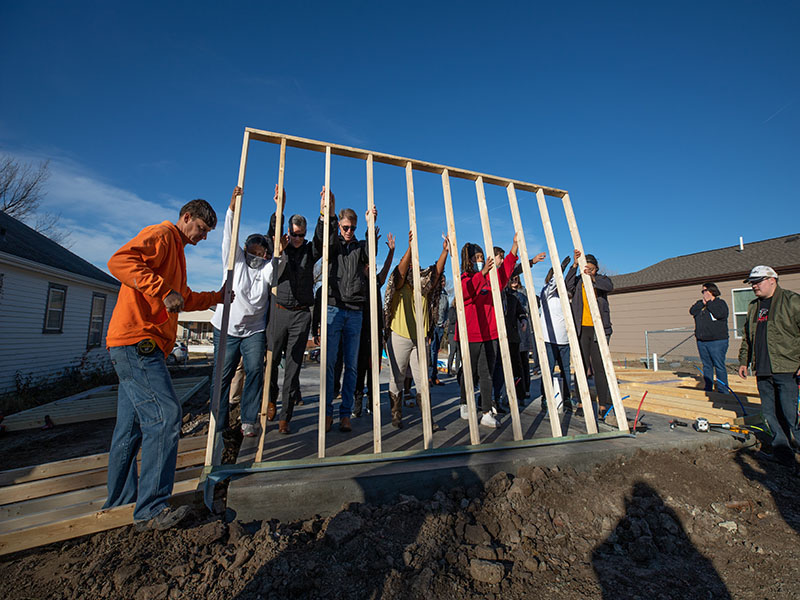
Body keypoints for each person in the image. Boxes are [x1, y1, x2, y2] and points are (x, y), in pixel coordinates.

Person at [104, 198, 225, 530]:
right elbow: (119, 261)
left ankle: (120, 502)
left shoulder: (178, 253)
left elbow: (182, 296)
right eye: (200, 229)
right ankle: (151, 509)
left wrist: (216, 296)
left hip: (136, 345)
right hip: (137, 342)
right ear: (186, 218)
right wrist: (160, 289)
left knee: (129, 429)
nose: (202, 237)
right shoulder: (162, 235)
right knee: (167, 415)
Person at [210, 186, 280, 438]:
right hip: (226, 328)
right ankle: (217, 422)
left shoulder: (266, 270)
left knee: (255, 371)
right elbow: (230, 235)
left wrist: (278, 208)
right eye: (252, 251)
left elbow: (278, 250)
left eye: (261, 254)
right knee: (222, 376)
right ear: (245, 250)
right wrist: (232, 209)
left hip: (253, 331)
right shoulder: (236, 261)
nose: (256, 256)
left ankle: (248, 419)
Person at [316, 188, 376, 433]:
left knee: (351, 366)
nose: (349, 232)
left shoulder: (360, 247)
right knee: (330, 364)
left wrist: (371, 224)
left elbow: (372, 250)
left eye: (352, 227)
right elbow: (321, 240)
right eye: (345, 227)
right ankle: (327, 412)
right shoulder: (334, 244)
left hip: (355, 311)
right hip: (333, 307)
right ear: (339, 226)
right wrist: (325, 213)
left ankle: (345, 413)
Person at [265, 187, 322, 434]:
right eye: (294, 234)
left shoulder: (310, 251)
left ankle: (285, 416)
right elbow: (272, 235)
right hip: (279, 311)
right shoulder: (281, 248)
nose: (296, 239)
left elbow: (322, 240)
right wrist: (280, 207)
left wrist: (323, 213)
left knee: (293, 365)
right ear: (289, 232)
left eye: (301, 235)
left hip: (301, 314)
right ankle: (269, 400)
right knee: (271, 360)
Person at [383, 232, 448, 428]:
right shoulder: (400, 283)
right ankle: (396, 413)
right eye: (411, 264)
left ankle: (428, 418)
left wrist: (444, 252)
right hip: (399, 335)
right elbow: (399, 273)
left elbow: (435, 274)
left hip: (419, 339)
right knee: (397, 376)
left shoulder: (424, 286)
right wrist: (411, 247)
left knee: (422, 381)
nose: (414, 268)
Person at [737, 266, 800, 467]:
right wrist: (744, 361)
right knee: (770, 414)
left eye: (758, 281)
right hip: (763, 369)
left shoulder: (791, 301)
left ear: (773, 280)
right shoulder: (754, 306)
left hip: (786, 367)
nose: (754, 286)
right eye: (752, 283)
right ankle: (783, 455)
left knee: (791, 415)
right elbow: (747, 337)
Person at [455, 235, 521, 428]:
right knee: (469, 372)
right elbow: (466, 292)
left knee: (486, 373)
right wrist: (482, 273)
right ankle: (464, 402)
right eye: (476, 257)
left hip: (490, 334)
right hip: (470, 334)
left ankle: (485, 412)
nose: (480, 260)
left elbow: (505, 274)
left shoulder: (490, 280)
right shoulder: (466, 279)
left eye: (482, 257)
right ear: (469, 261)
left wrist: (514, 247)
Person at [565, 249, 613, 416]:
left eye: (591, 268)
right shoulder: (578, 281)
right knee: (581, 366)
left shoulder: (601, 280)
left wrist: (592, 278)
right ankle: (581, 402)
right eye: (586, 268)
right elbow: (567, 285)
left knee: (600, 367)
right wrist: (575, 265)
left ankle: (602, 404)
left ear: (596, 268)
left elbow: (609, 286)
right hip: (582, 328)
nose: (588, 271)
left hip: (599, 328)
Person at [353, 233, 395, 418]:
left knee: (373, 369)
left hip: (375, 332)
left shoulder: (375, 282)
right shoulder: (357, 284)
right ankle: (357, 403)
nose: (372, 266)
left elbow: (386, 270)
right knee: (358, 369)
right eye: (369, 264)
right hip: (359, 332)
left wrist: (391, 252)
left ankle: (371, 400)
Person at [533, 256, 573, 411]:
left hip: (564, 340)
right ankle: (546, 397)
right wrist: (560, 268)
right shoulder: (546, 294)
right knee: (548, 369)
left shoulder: (564, 297)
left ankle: (567, 398)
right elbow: (553, 283)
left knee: (566, 370)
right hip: (549, 339)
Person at [689, 282, 730, 392]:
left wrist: (710, 303)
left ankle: (723, 390)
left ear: (712, 291)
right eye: (703, 291)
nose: (704, 293)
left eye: (705, 290)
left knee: (719, 365)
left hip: (717, 341)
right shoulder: (700, 304)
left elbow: (720, 314)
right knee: (707, 365)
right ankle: (708, 388)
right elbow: (692, 311)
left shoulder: (720, 303)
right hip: (702, 341)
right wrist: (702, 304)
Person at [428, 274, 449, 387]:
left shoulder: (445, 294)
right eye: (441, 281)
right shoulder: (433, 293)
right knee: (431, 351)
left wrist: (445, 322)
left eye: (444, 281)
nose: (443, 283)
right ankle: (429, 376)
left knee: (436, 352)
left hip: (441, 326)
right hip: (432, 326)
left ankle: (434, 376)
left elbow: (446, 310)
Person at [446, 299, 459, 376]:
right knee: (453, 351)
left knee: (459, 352)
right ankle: (449, 369)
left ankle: (457, 370)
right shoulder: (452, 309)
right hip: (452, 332)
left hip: (459, 332)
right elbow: (452, 320)